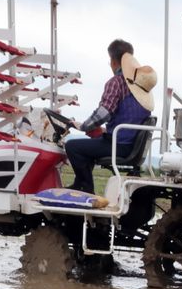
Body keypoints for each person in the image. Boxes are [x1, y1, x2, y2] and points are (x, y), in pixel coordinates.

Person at [65, 39, 157, 193]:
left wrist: (83, 126)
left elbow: (104, 112)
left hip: (119, 146)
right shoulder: (142, 90)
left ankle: (85, 188)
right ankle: (81, 184)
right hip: (130, 146)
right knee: (89, 146)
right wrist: (104, 131)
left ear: (114, 61)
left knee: (72, 147)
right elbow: (128, 119)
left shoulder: (116, 82)